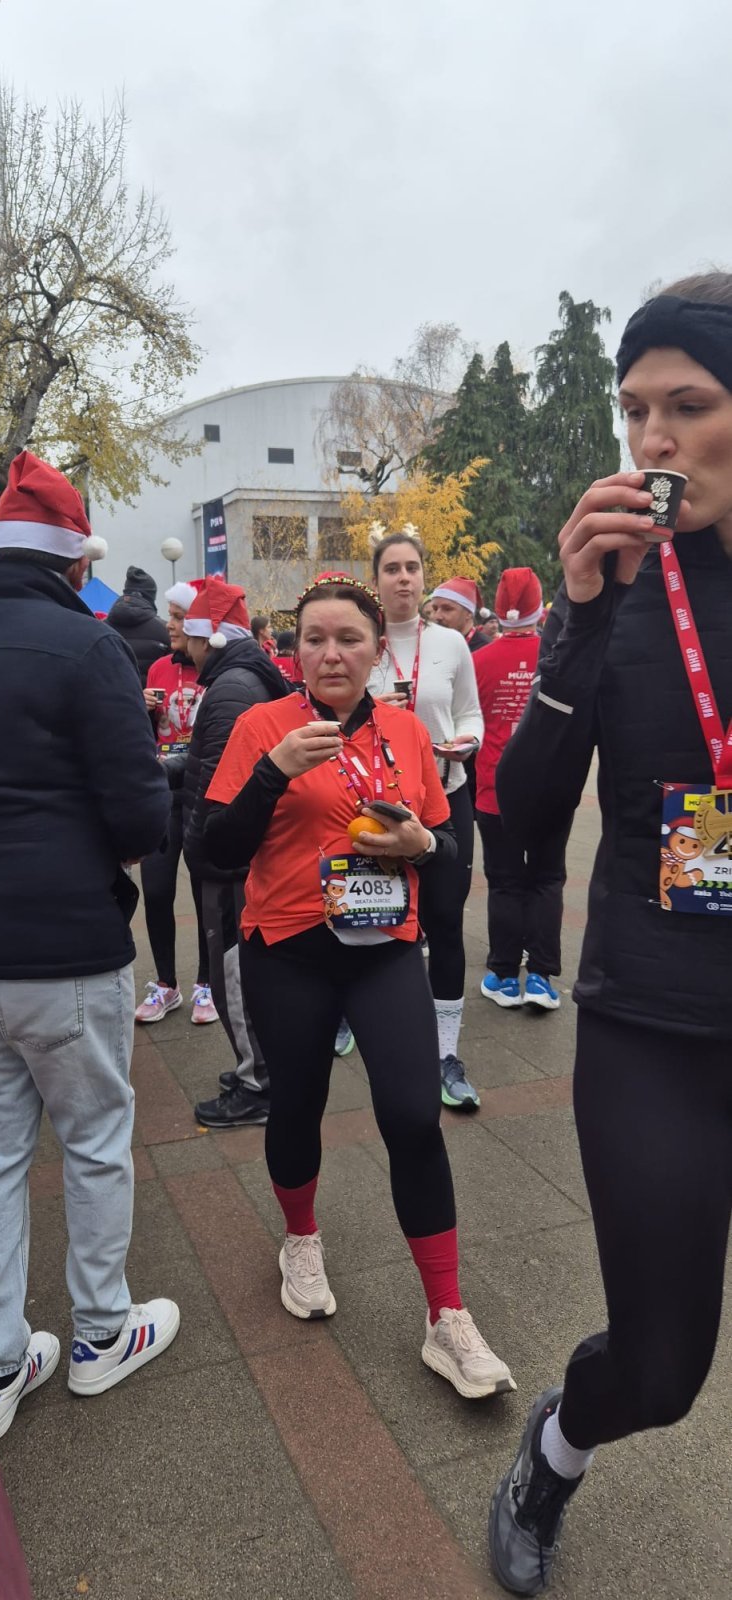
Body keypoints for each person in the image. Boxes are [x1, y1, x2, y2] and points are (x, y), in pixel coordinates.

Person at [489, 276, 732, 1594]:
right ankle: (557, 1449)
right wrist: (575, 625)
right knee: (662, 1366)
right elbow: (520, 829)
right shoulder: (622, 591)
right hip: (655, 1023)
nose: (653, 439)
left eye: (688, 407)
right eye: (635, 408)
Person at [0, 451, 178, 1442]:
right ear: (70, 559)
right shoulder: (88, 649)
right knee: (95, 1140)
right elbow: (142, 814)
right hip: (65, 948)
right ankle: (100, 1333)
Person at [203, 572, 515, 1398]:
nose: (331, 653)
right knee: (297, 1105)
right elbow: (214, 853)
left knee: (414, 1115)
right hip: (288, 951)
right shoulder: (262, 726)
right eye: (314, 639)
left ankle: (446, 1316)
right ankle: (300, 1237)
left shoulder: (409, 734)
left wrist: (418, 847)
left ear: (380, 648)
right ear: (292, 648)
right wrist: (271, 772)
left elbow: (445, 869)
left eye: (349, 638)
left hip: (382, 950)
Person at [368, 534, 484, 1109]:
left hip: (447, 796)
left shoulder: (451, 644)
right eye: (392, 568)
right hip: (378, 807)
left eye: (413, 567)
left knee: (443, 919)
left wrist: (469, 740)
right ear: (378, 579)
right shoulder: (362, 643)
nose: (404, 579)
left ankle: (444, 1052)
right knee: (373, 917)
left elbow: (470, 711)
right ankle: (356, 1015)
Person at [169, 576, 289, 1128]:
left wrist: (202, 855)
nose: (180, 638)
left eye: (188, 629)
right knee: (238, 976)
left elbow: (217, 789)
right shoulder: (239, 680)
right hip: (239, 861)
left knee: (231, 978)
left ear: (210, 636)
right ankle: (258, 1068)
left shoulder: (230, 690)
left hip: (230, 866)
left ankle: (257, 1084)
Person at [473, 568, 569, 1012]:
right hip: (552, 785)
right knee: (548, 879)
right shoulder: (559, 656)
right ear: (538, 607)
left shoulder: (480, 660)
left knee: (506, 883)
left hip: (495, 788)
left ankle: (505, 975)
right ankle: (543, 979)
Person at [135, 578, 217, 1026]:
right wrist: (140, 707)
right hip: (163, 793)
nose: (169, 625)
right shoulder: (157, 669)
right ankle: (167, 984)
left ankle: (207, 982)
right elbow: (144, 736)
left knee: (205, 892)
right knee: (157, 890)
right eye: (169, 615)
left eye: (179, 616)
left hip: (201, 791)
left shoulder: (215, 668)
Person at [106, 565, 171, 675]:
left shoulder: (101, 628)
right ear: (151, 597)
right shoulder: (167, 631)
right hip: (155, 691)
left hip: (111, 692)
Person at [427, 575, 489, 652]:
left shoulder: (485, 650)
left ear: (469, 613)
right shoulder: (430, 645)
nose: (437, 616)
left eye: (447, 609)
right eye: (435, 609)